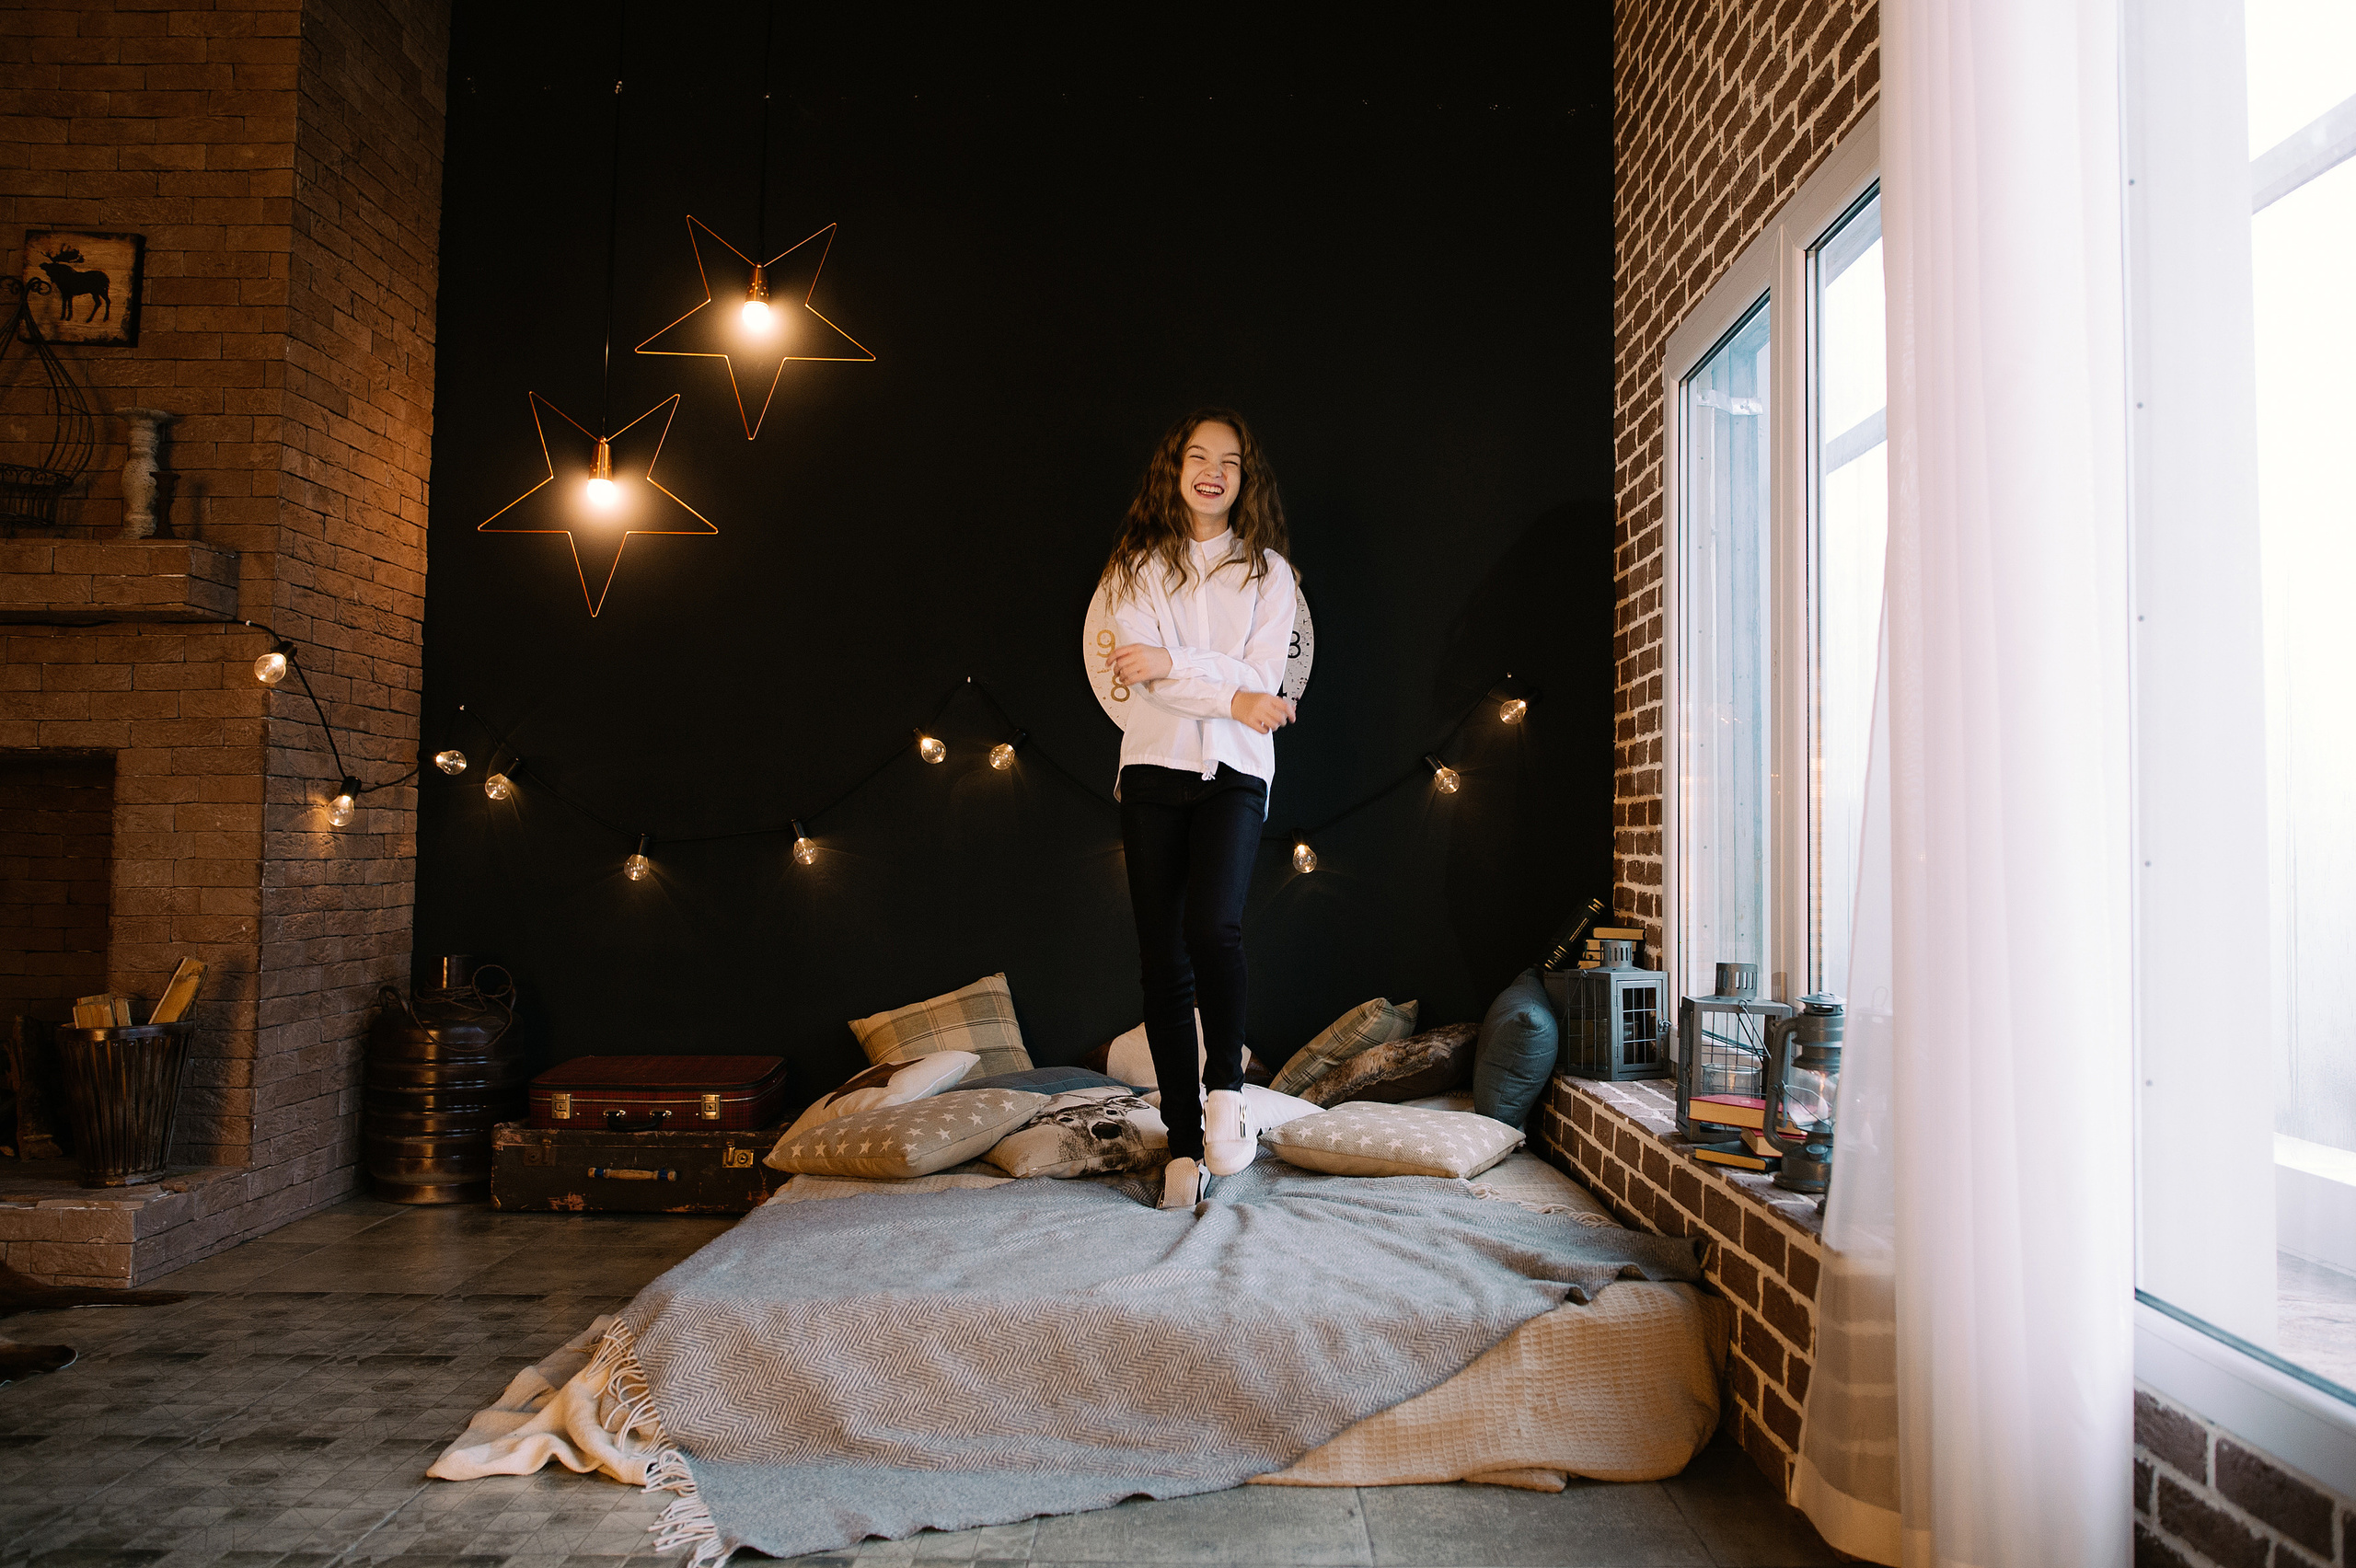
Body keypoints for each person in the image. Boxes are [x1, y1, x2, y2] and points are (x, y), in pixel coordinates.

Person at [1100, 408, 1299, 1209]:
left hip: (1237, 772)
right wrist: (1229, 692)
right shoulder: (1136, 566)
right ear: (1174, 469)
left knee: (1214, 928)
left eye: (1230, 461)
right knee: (1162, 960)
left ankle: (1226, 1096)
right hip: (1152, 768)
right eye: (1198, 456)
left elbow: (1260, 678)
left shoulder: (1270, 573)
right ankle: (1182, 1144)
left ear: (1247, 479)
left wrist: (1176, 661)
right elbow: (1140, 672)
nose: (1213, 471)